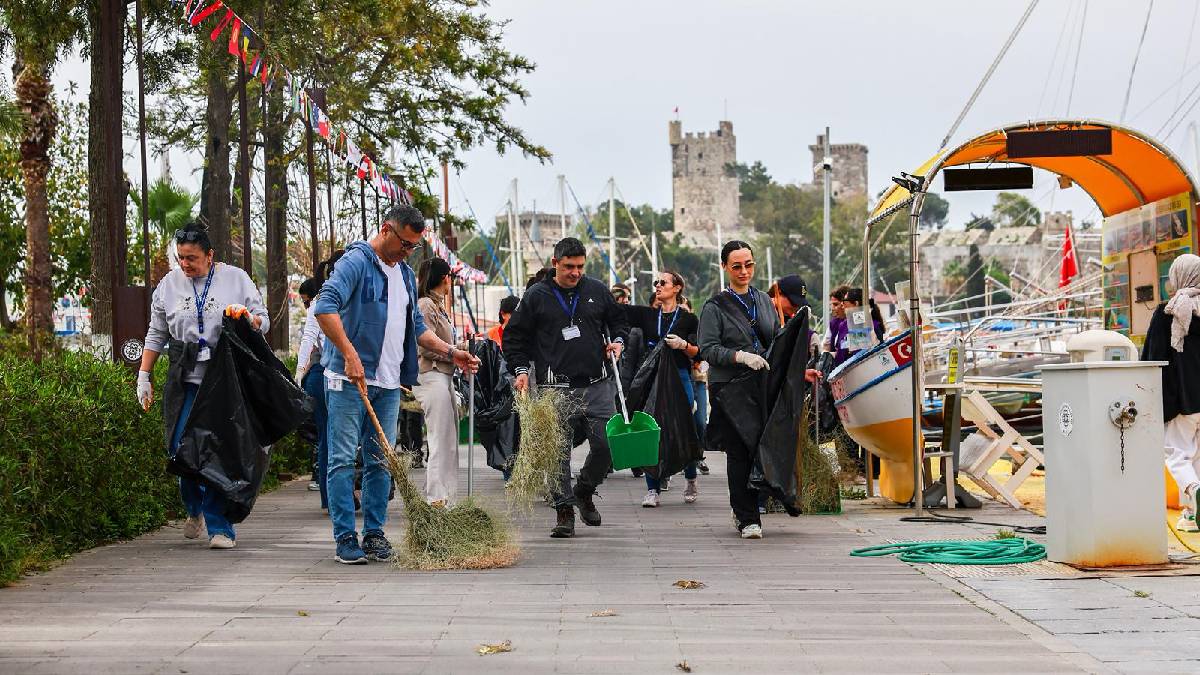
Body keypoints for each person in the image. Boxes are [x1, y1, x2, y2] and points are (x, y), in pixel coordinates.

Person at [313, 205, 479, 565]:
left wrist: (453, 352)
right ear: (386, 230)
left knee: (381, 461)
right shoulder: (355, 262)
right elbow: (324, 308)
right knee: (342, 460)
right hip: (347, 379)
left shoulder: (404, 274)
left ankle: (374, 533)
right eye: (404, 243)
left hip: (387, 383)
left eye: (414, 246)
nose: (409, 252)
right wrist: (349, 353)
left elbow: (417, 329)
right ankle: (345, 537)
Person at [136, 221, 269, 550]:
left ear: (210, 256)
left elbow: (262, 320)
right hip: (184, 381)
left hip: (224, 382)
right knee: (180, 450)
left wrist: (246, 318)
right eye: (180, 257)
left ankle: (220, 526)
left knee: (217, 453)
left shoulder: (235, 279)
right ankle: (193, 507)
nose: (185, 264)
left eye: (192, 258)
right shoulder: (168, 286)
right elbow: (156, 334)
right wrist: (144, 376)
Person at [503, 237, 629, 538]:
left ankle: (584, 489)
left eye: (580, 267)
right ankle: (563, 510)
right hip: (555, 389)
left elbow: (619, 322)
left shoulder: (597, 290)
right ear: (555, 263)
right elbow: (514, 338)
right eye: (569, 267)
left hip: (597, 385)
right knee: (557, 452)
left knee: (607, 445)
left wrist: (618, 343)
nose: (575, 273)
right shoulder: (537, 296)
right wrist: (521, 370)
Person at [698, 240, 819, 539]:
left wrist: (796, 367)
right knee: (739, 450)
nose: (744, 271)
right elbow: (707, 348)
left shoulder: (764, 302)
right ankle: (747, 517)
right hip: (729, 388)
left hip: (760, 385)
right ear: (725, 267)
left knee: (761, 446)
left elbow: (775, 343)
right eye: (737, 266)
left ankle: (752, 503)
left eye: (748, 265)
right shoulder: (714, 306)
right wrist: (739, 356)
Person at [626, 271, 701, 506]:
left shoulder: (689, 319)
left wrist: (683, 345)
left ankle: (690, 477)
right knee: (650, 431)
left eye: (663, 282)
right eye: (655, 283)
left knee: (687, 426)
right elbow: (616, 310)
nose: (657, 286)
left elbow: (698, 352)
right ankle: (652, 489)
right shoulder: (648, 316)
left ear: (677, 288)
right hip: (653, 378)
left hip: (679, 377)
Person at [1142, 254, 1200, 532]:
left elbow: (1153, 358)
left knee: (1176, 453)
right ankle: (1192, 514)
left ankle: (1193, 489)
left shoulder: (1168, 312)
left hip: (1183, 398)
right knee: (1198, 456)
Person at [414, 257, 466, 507]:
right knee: (439, 439)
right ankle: (436, 498)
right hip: (430, 375)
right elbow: (424, 345)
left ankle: (447, 496)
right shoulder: (425, 305)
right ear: (444, 278)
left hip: (444, 375)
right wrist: (454, 351)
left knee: (448, 440)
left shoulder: (438, 306)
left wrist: (459, 349)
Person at [297, 252, 345, 503]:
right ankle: (332, 497)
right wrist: (297, 375)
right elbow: (307, 340)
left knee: (339, 437)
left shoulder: (348, 297)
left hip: (342, 374)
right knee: (330, 436)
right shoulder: (321, 302)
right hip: (325, 375)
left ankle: (341, 495)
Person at [682, 298, 710, 476]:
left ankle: (698, 454)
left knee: (699, 421)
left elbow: (707, 356)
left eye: (686, 312)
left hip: (698, 380)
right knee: (682, 424)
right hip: (678, 380)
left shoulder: (700, 331)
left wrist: (699, 362)